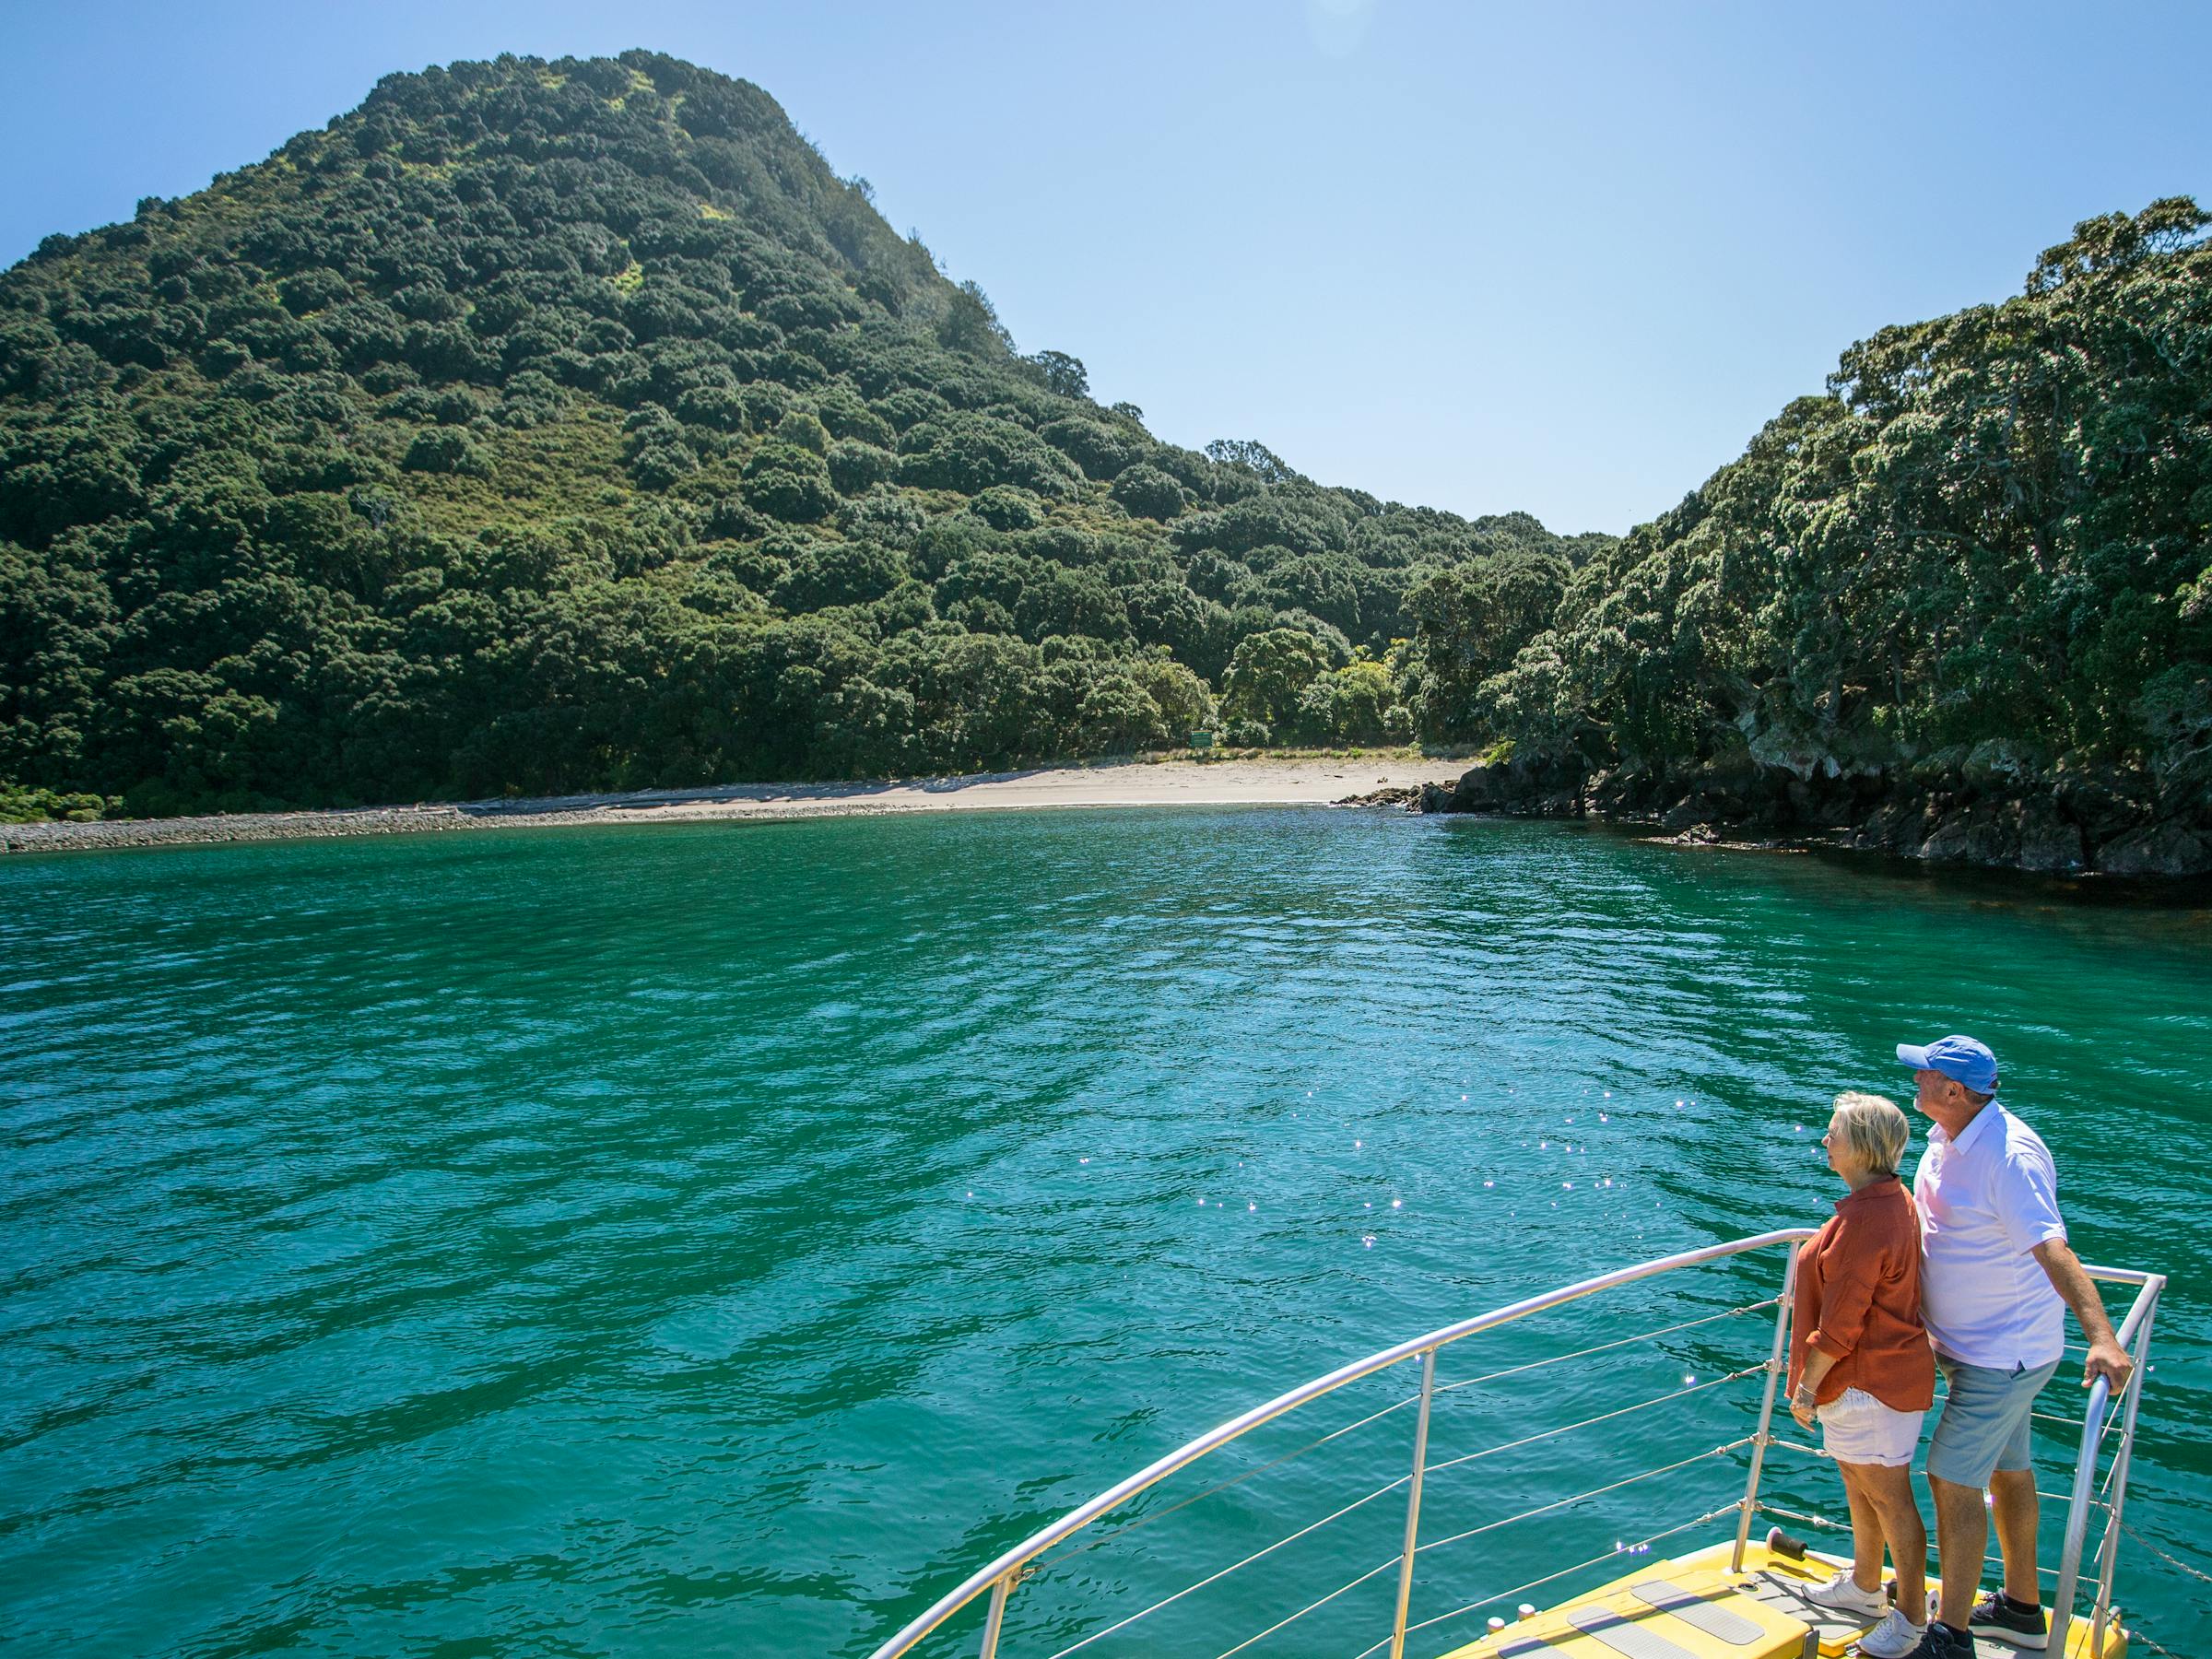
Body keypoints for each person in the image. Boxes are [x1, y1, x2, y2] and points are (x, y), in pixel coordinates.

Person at [1896, 1035, 2134, 1659]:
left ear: (1953, 1090)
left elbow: (2054, 1249)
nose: (1915, 1079)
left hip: (2002, 1356)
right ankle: (2022, 1608)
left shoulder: (2010, 1156)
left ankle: (1949, 1636)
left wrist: (2103, 1338)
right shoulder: (1948, 1138)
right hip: (1970, 1345)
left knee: (1950, 1476)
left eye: (1926, 1074)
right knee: (2009, 1469)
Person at [1787, 1091, 1936, 1659]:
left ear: (1863, 1147)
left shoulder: (1867, 1220)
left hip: (1865, 1383)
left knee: (1890, 1496)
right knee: (1862, 1485)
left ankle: (1911, 1618)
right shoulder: (1887, 1202)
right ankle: (1866, 1586)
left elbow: (1841, 1325)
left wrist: (1804, 1390)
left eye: (1834, 1134)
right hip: (1878, 1380)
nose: (1825, 1141)